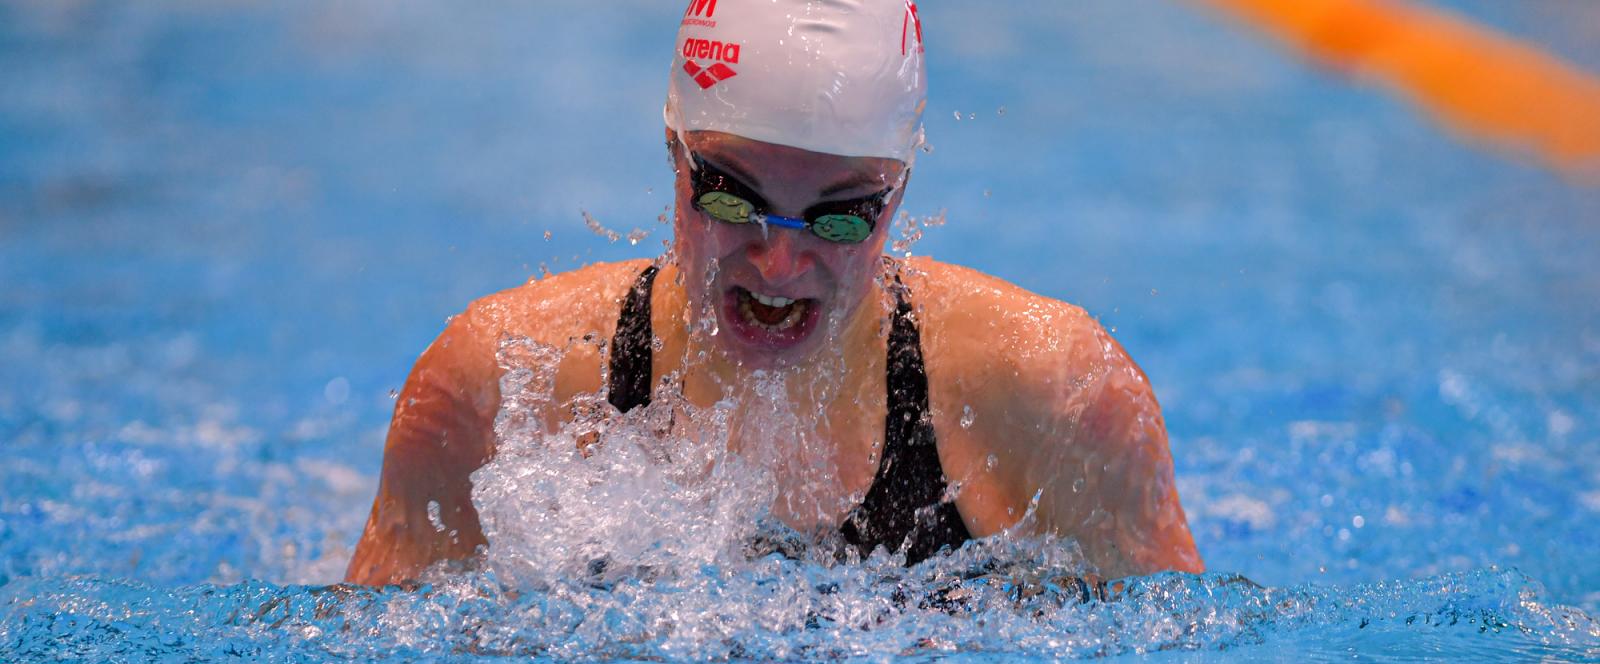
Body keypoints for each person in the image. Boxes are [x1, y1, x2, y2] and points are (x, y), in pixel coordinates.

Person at [346, 0, 1203, 586]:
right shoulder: (498, 389)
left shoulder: (1057, 402)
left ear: (899, 192)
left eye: (840, 217)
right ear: (673, 155)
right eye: (731, 195)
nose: (780, 265)